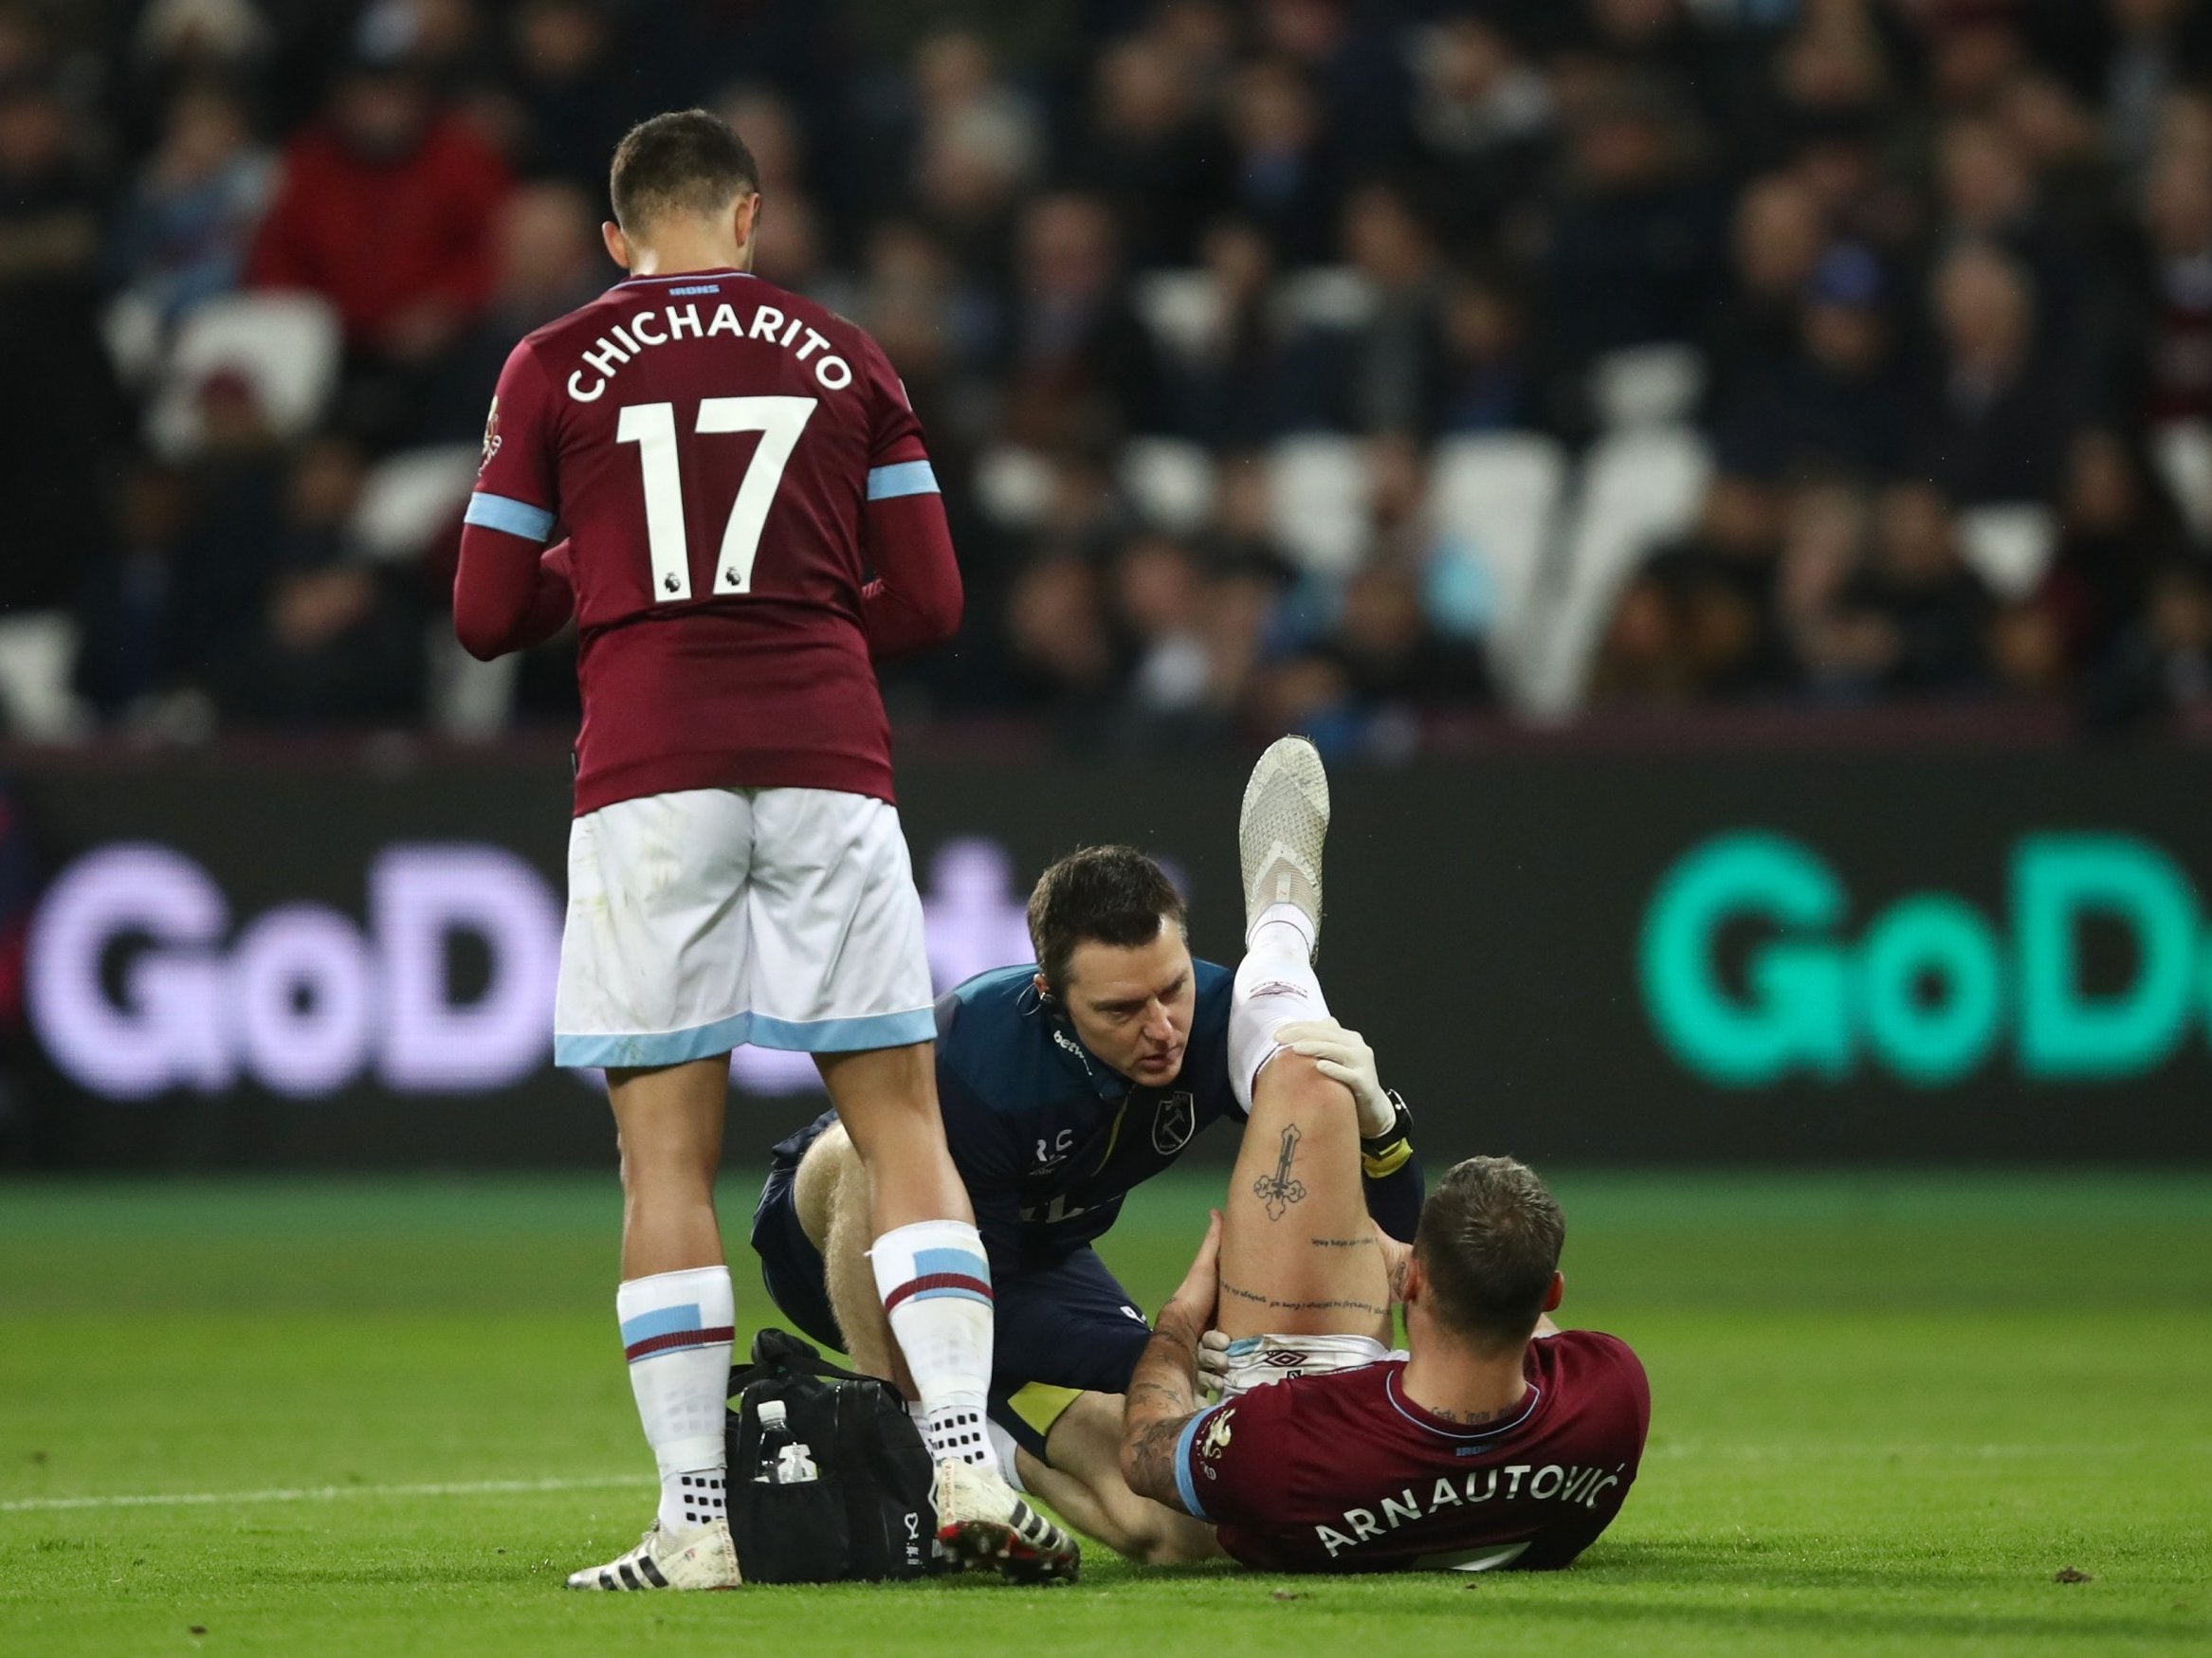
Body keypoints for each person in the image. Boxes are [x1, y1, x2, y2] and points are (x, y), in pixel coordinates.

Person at [452, 108, 1075, 1591]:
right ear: (747, 219)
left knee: (662, 1158)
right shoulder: (848, 353)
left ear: (617, 240)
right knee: (901, 1126)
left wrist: (603, 576)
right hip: (825, 763)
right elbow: (927, 604)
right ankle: (968, 1470)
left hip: (650, 774)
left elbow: (482, 615)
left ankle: (695, 1521)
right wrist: (793, 609)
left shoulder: (550, 362)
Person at [750, 837, 1424, 1561]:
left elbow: (1379, 1243)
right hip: (847, 1247)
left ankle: (998, 1450)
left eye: (1172, 987)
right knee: (865, 1148)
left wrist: (1380, 1131)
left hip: (1033, 1262)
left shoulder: (1227, 1017)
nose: (1163, 1028)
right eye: (1122, 1008)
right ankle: (903, 1447)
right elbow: (988, 1303)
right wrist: (1161, 1349)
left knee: (1174, 1532)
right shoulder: (977, 1059)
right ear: (1051, 996)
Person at [1117, 737, 1651, 1573]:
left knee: (1306, 1075)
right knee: (1327, 1090)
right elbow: (1501, 1327)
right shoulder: (1613, 1400)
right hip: (1371, 1431)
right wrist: (1404, 1232)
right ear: (1550, 1293)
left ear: (1410, 1281)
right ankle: (1377, 1125)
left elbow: (1145, 1450)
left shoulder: (1278, 1444)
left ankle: (1281, 932)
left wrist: (1183, 1323)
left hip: (1310, 1398)